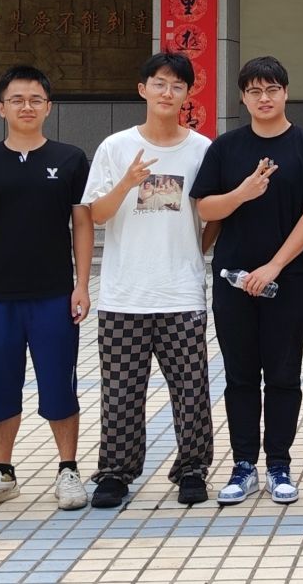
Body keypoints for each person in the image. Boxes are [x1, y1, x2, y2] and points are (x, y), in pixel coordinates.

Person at [190, 57, 303, 506]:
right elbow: (204, 208)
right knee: (240, 376)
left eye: (272, 89)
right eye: (254, 91)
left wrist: (274, 266)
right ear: (243, 97)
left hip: (287, 280)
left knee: (284, 375)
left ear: (285, 92)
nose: (264, 98)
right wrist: (242, 193)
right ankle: (244, 465)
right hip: (232, 280)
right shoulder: (225, 148)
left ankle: (279, 465)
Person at [81, 52, 215, 509]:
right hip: (124, 294)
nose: (167, 92)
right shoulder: (115, 147)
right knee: (120, 392)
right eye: (159, 83)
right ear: (143, 89)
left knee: (191, 389)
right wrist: (127, 182)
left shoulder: (201, 149)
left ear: (188, 93)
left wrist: (195, 251)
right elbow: (97, 216)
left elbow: (211, 213)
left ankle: (192, 469)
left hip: (181, 292)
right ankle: (115, 473)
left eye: (177, 85)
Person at [0, 65, 93, 513]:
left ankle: (68, 469)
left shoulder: (70, 158)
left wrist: (81, 284)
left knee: (59, 384)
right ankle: (2, 472)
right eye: (16, 99)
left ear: (48, 107)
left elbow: (81, 223)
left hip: (53, 294)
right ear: (1, 108)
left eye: (35, 99)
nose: (26, 106)